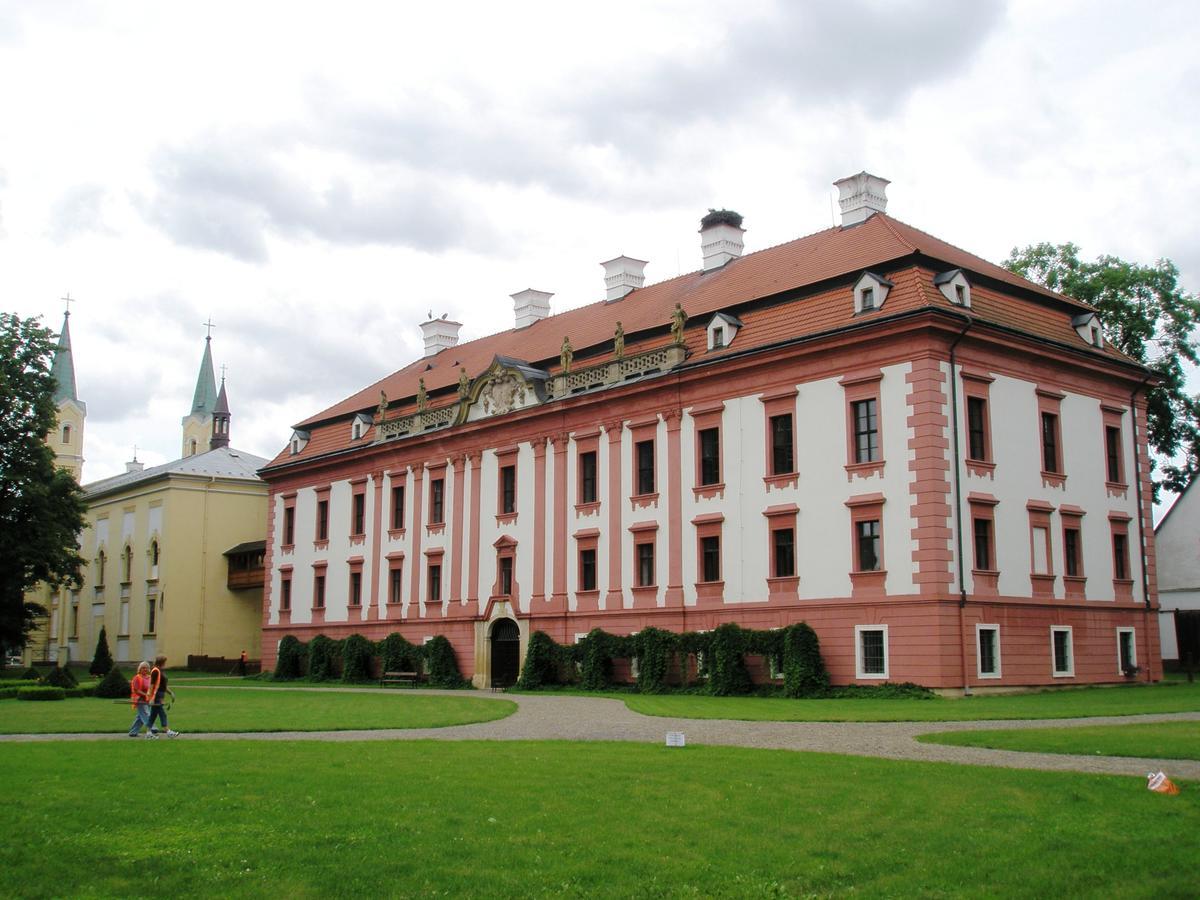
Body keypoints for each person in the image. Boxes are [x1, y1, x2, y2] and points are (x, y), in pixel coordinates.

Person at [147, 655, 178, 738]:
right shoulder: (155, 671)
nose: (165, 663)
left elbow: (163, 686)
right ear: (162, 662)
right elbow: (152, 685)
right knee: (162, 713)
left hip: (160, 695)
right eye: (164, 661)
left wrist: (170, 693)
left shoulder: (160, 671)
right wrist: (151, 698)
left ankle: (148, 732)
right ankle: (168, 731)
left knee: (153, 714)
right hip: (156, 696)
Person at [127, 661, 154, 738]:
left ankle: (133, 732)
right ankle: (152, 727)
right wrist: (145, 695)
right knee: (146, 714)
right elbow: (136, 690)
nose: (145, 669)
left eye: (147, 668)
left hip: (148, 699)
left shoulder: (150, 678)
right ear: (140, 669)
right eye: (143, 668)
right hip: (139, 699)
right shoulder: (137, 678)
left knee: (140, 717)